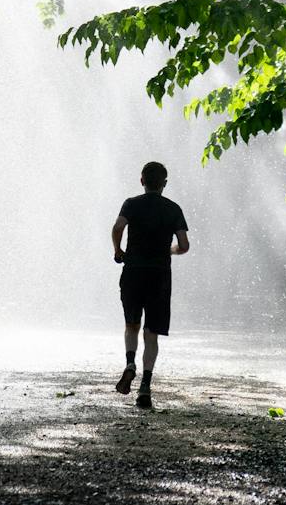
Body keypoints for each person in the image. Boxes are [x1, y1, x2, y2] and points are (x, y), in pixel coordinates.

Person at [110, 160, 189, 409]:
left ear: (142, 181)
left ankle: (130, 363)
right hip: (159, 275)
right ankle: (145, 386)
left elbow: (118, 227)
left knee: (131, 325)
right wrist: (171, 251)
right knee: (151, 333)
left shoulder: (131, 204)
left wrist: (118, 250)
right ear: (164, 184)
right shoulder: (173, 209)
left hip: (133, 272)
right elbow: (184, 246)